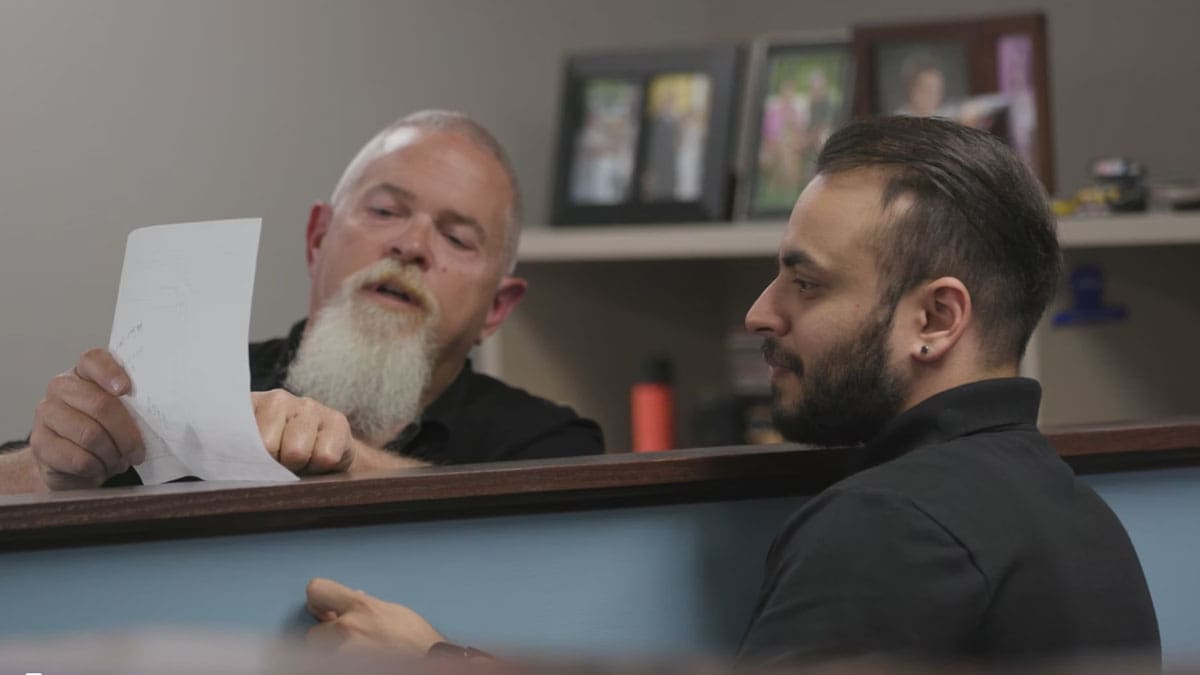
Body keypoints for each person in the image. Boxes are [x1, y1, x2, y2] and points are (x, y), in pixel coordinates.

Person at [299, 117, 1159, 667]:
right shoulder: (1072, 510)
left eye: (806, 283)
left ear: (935, 318)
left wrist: (435, 661)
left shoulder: (895, 523)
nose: (760, 312)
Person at [0, 110, 604, 493]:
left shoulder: (550, 444)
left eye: (457, 238)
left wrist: (348, 460)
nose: (411, 245)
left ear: (497, 309)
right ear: (318, 237)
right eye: (385, 211)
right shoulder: (183, 391)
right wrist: (48, 466)